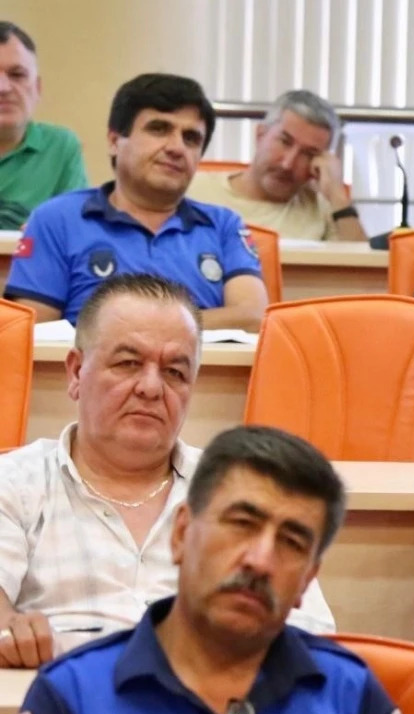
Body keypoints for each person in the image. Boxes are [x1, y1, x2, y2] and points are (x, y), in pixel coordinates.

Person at [0, 425, 414, 714]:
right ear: (181, 534)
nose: (260, 560)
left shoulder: (348, 693)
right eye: (241, 524)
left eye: (292, 542)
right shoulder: (72, 694)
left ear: (307, 580)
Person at [0, 275, 333, 669]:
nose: (151, 388)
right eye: (128, 364)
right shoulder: (15, 483)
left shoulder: (243, 492)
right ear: (76, 373)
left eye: (175, 372)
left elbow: (312, 639)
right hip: (66, 698)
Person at [2, 73, 267, 330]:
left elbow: (253, 318)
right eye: (159, 129)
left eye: (191, 138)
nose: (177, 148)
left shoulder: (223, 225)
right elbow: (34, 333)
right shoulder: (57, 219)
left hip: (201, 363)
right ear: (114, 141)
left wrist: (128, 329)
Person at [187, 89, 367, 241]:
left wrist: (338, 196)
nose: (288, 164)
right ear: (260, 135)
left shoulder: (325, 208)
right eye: (284, 142)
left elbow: (362, 268)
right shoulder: (192, 190)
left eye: (308, 154)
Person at [0, 22, 88, 230]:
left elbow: (75, 228)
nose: (3, 88)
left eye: (17, 75)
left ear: (37, 88)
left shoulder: (61, 147)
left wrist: (48, 232)